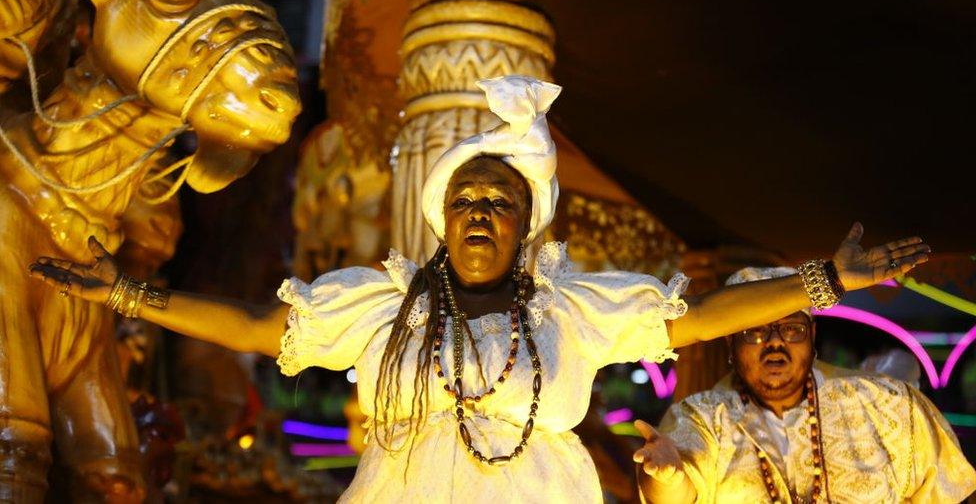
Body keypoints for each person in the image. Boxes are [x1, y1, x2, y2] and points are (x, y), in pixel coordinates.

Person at [30, 76, 932, 502]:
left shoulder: (572, 308)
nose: (480, 211)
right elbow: (260, 327)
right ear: (440, 214)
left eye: (500, 201)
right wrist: (131, 296)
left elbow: (701, 314)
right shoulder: (385, 309)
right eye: (465, 197)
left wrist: (820, 281)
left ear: (524, 223)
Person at [634, 267, 976, 504]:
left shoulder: (887, 403)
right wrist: (668, 478)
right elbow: (681, 489)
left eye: (792, 329)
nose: (775, 343)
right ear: (731, 345)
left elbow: (955, 491)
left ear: (812, 337)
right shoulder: (703, 418)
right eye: (755, 331)